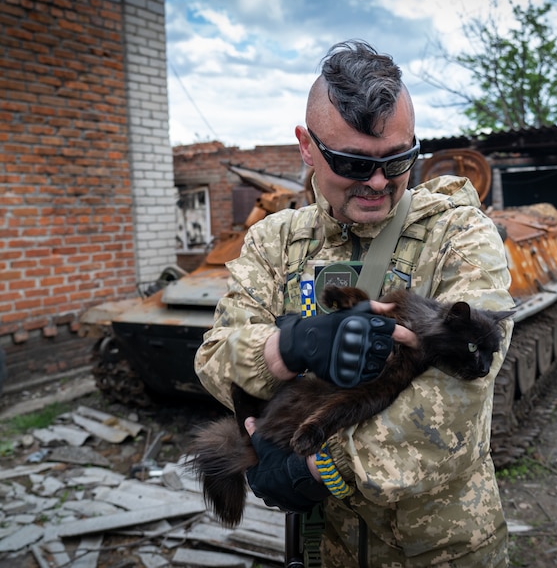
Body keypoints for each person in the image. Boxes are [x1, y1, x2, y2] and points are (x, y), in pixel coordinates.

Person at [194, 40, 515, 567]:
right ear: (306, 145)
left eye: (398, 160)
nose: (377, 182)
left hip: (435, 552)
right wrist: (287, 347)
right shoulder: (274, 241)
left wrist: (319, 466)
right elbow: (213, 358)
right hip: (321, 552)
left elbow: (461, 392)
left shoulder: (459, 233)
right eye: (352, 162)